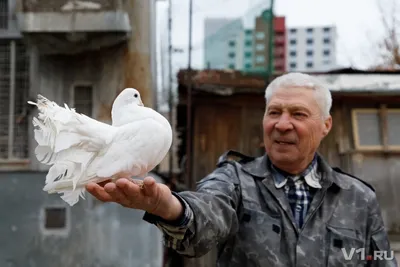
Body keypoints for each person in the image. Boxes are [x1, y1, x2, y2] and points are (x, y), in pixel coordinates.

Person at [86, 73, 397, 267]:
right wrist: (170, 208)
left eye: (298, 114)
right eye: (274, 112)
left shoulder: (358, 199)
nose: (282, 124)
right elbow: (204, 216)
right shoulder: (234, 181)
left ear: (326, 125)